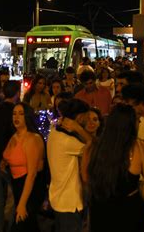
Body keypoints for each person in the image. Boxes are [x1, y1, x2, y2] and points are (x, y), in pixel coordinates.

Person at [82, 104, 144, 232]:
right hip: (130, 213)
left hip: (100, 211)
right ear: (131, 125)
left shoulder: (92, 146)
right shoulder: (138, 147)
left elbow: (86, 178)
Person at [47, 99, 92, 232]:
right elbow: (94, 147)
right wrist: (78, 128)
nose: (88, 121)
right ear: (78, 117)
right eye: (86, 117)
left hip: (59, 199)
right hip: (69, 203)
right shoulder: (68, 141)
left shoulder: (54, 132)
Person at [2, 102, 45, 231]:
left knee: (22, 225)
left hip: (28, 187)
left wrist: (22, 203)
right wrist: (5, 162)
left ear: (27, 116)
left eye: (21, 114)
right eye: (14, 114)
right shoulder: (15, 136)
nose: (16, 117)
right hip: (17, 186)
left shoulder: (32, 139)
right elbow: (10, 156)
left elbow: (32, 174)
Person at [0, 80, 21, 232]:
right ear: (17, 93)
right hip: (10, 160)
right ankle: (13, 223)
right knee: (14, 194)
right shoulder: (17, 112)